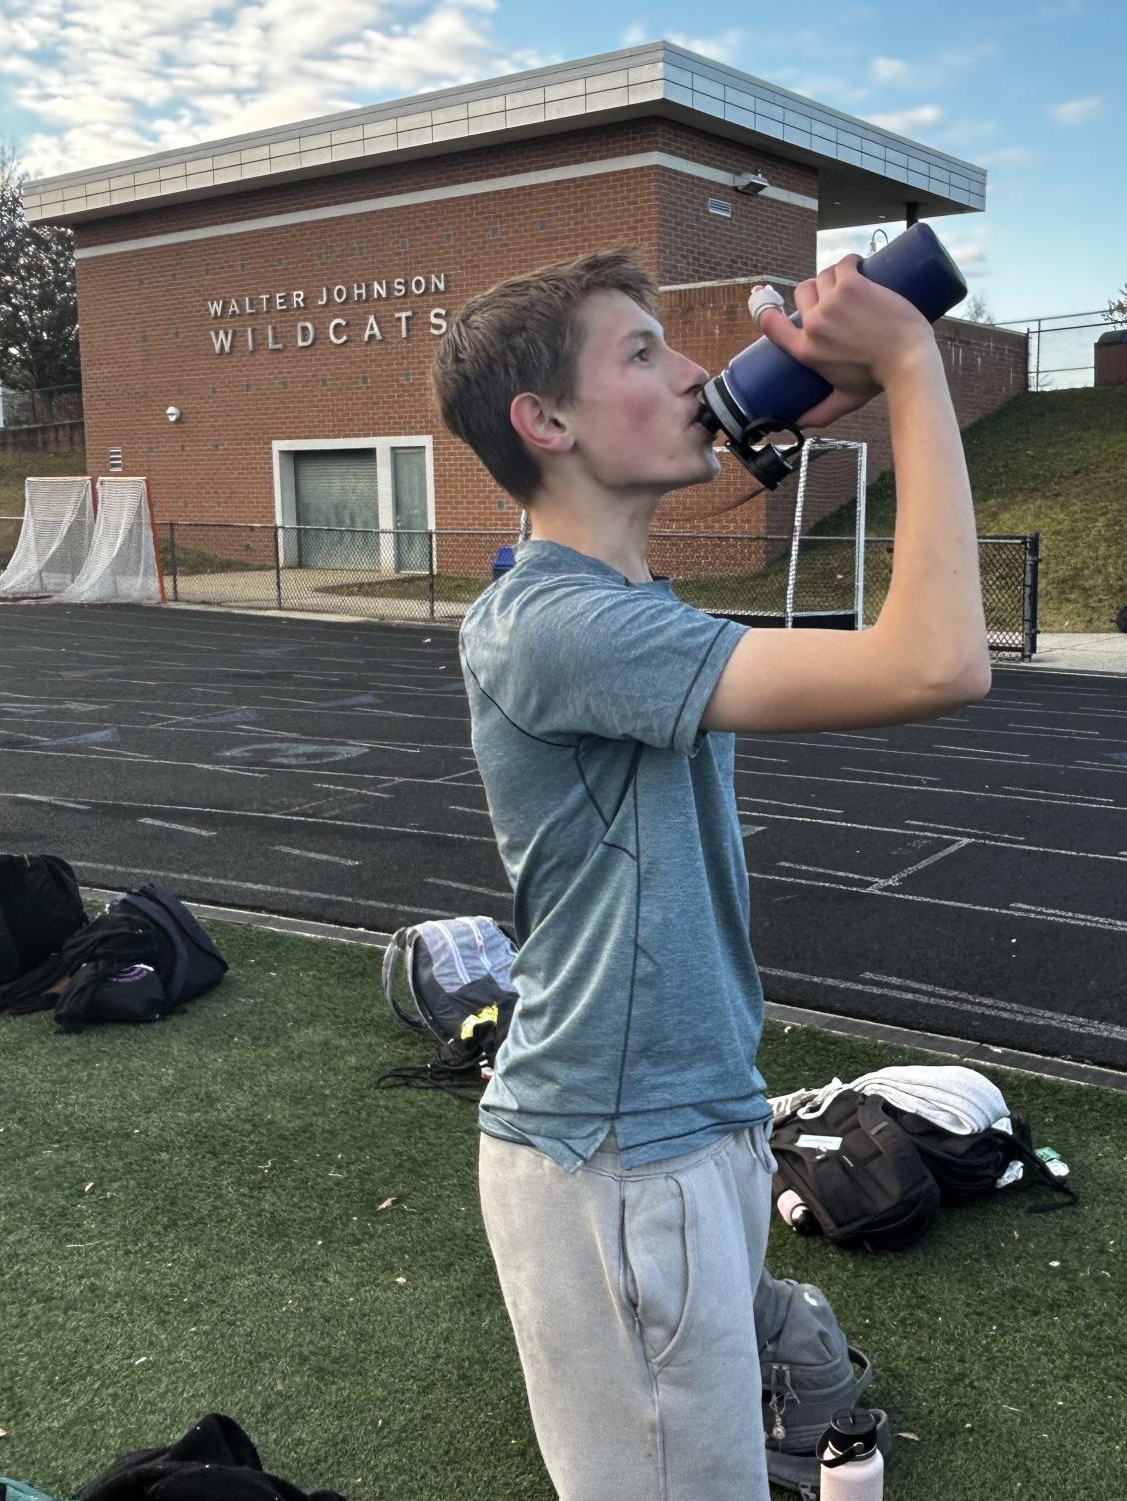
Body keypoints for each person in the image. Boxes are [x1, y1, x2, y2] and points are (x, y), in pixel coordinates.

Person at [431, 247, 989, 1500]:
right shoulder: (560, 625)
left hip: (687, 1121)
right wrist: (909, 365)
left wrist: (803, 397)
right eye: (641, 352)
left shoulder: (614, 600)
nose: (688, 371)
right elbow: (939, 661)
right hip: (623, 1152)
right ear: (546, 421)